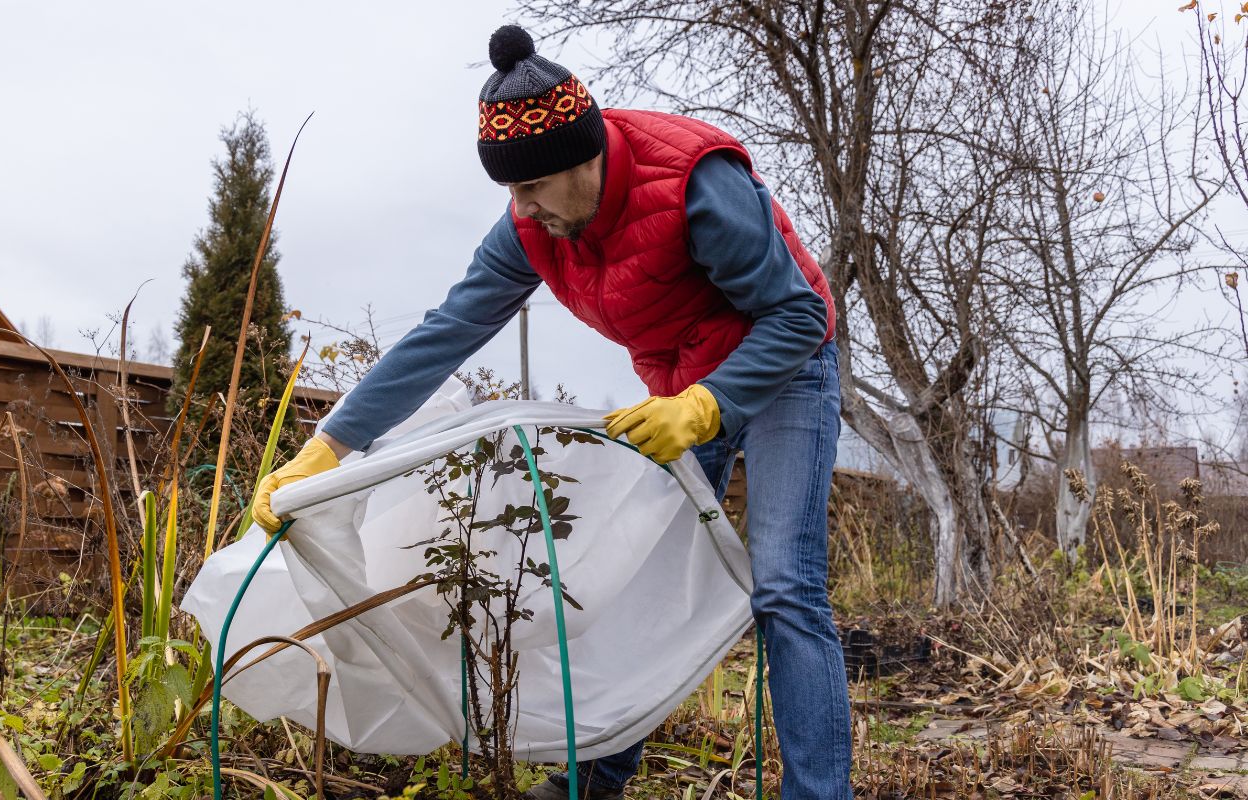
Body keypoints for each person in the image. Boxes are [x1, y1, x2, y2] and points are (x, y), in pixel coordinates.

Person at [252, 24, 852, 800]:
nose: (521, 208)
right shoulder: (532, 228)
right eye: (510, 191)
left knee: (782, 584)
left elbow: (798, 316)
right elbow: (447, 331)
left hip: (786, 368)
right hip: (683, 380)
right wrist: (331, 447)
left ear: (585, 158)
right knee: (643, 579)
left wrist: (710, 405)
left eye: (531, 188)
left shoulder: (695, 185)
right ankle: (595, 781)